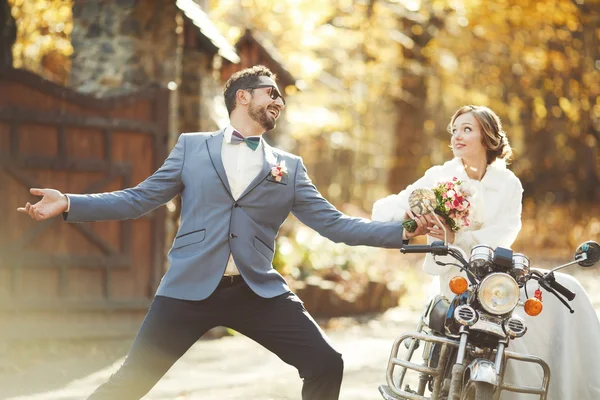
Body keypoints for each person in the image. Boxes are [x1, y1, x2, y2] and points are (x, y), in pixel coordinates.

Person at [17, 65, 426, 400]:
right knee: (129, 384)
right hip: (187, 289)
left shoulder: (290, 166)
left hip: (256, 291)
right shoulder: (192, 148)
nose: (278, 101)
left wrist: (403, 232)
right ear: (243, 97)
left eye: (281, 97)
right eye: (271, 92)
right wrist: (70, 201)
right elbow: (140, 198)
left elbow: (335, 224)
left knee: (325, 364)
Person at [372, 105, 600, 400]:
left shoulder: (508, 184)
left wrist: (458, 236)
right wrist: (413, 217)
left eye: (467, 129)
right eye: (454, 130)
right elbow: (385, 208)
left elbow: (503, 233)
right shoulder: (440, 175)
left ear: (488, 137)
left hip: (492, 274)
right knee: (440, 319)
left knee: (561, 293)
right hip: (453, 272)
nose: (457, 136)